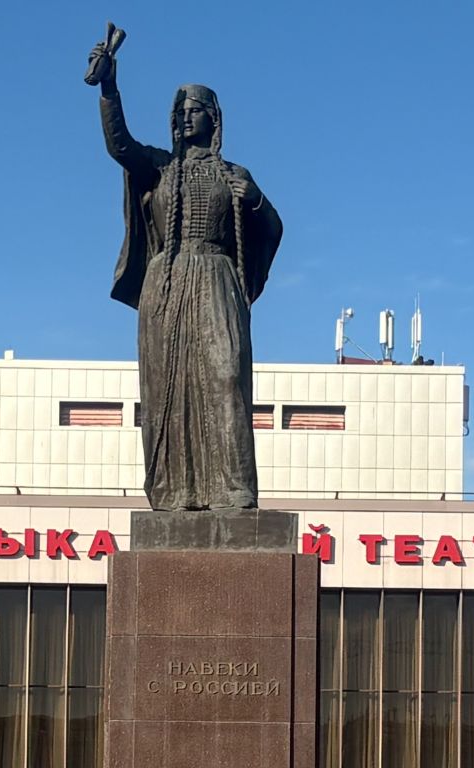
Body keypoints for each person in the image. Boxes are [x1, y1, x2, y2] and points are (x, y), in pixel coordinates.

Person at [90, 35, 282, 512]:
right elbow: (120, 145)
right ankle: (176, 491)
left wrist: (256, 200)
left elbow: (273, 229)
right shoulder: (160, 167)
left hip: (216, 277)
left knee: (226, 375)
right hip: (168, 280)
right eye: (178, 112)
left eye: (194, 110)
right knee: (167, 386)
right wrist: (110, 90)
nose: (184, 118)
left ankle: (233, 490)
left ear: (213, 118)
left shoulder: (235, 173)